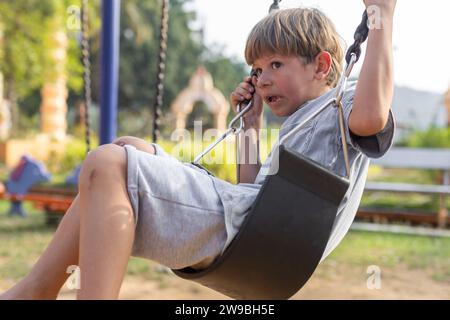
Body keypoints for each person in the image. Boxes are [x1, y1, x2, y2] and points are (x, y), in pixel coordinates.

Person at [0, 0, 396, 300]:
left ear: (322, 66)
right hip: (253, 229)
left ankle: (36, 292)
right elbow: (255, 191)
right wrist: (251, 124)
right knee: (125, 148)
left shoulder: (344, 100)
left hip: (263, 240)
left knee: (108, 164)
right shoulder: (296, 122)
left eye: (276, 64)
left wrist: (381, 15)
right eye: (257, 70)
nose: (262, 79)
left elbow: (370, 118)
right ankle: (38, 288)